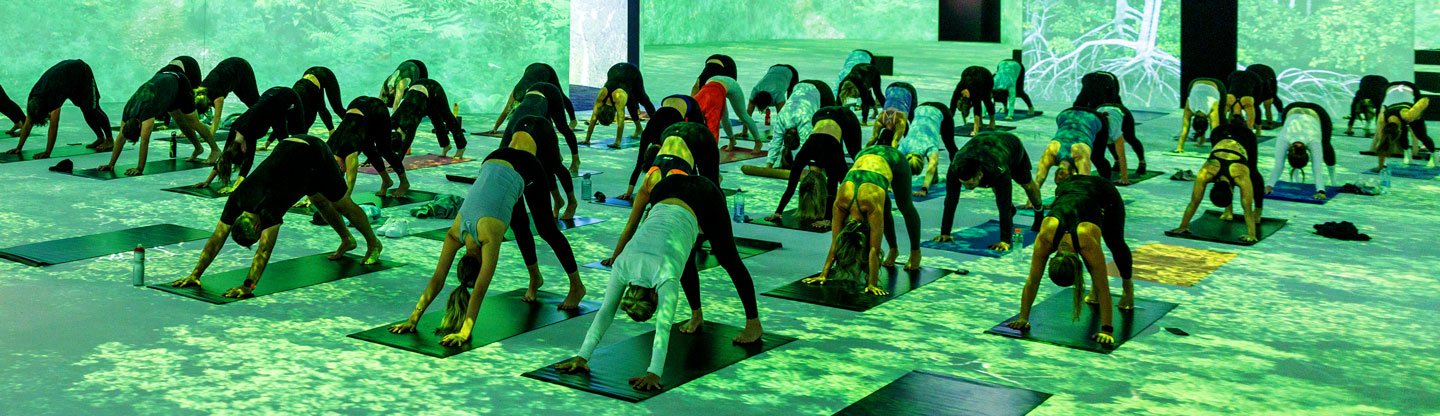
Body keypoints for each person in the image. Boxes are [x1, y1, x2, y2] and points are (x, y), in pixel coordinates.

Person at [555, 174, 764, 391]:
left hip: (703, 194)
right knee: (683, 254)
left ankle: (754, 325)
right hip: (665, 188)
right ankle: (696, 316)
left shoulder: (665, 277)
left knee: (728, 257)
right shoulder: (623, 265)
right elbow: (605, 313)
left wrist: (654, 373)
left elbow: (663, 328)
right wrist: (581, 356)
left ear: (654, 295)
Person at [386, 147, 587, 346]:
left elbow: (480, 288)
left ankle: (577, 286)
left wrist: (464, 332)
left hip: (526, 166)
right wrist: (413, 319)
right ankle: (535, 278)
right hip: (492, 159)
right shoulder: (455, 234)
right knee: (519, 225)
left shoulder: (489, 237)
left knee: (546, 229)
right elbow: (437, 279)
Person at [167, 134, 383, 298]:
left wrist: (248, 286)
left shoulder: (268, 209)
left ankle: (373, 244)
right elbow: (216, 239)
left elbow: (264, 250)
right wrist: (195, 274)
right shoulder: (237, 200)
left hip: (315, 153)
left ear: (257, 228)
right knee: (319, 200)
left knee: (342, 203)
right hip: (292, 153)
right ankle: (347, 239)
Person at [1007, 174, 1133, 345]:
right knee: (1098, 266)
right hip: (1068, 186)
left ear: (1050, 260)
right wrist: (1023, 317)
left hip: (1103, 191)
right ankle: (1096, 291)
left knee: (1115, 243)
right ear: (1051, 260)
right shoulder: (1045, 237)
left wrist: (1107, 330)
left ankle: (1128, 288)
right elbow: (1032, 281)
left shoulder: (1086, 240)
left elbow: (1104, 287)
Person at [805, 145, 923, 295]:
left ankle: (915, 252)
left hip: (894, 158)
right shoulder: (840, 203)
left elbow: (874, 249)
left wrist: (872, 283)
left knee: (905, 206)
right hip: (864, 154)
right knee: (884, 207)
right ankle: (894, 250)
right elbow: (836, 243)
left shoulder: (870, 206)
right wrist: (823, 275)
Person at [607, 123, 722, 264]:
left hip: (697, 135)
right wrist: (616, 257)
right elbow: (632, 226)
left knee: (712, 187)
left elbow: (631, 225)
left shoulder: (673, 186)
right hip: (668, 132)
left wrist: (616, 256)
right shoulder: (646, 187)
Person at [934, 132, 1044, 251]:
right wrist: (945, 232)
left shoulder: (997, 169)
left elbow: (1004, 203)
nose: (967, 188)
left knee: (1026, 184)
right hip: (982, 142)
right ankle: (1011, 213)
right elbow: (950, 200)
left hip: (1011, 145)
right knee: (995, 188)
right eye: (963, 183)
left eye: (971, 184)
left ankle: (1039, 213)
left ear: (980, 175)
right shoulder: (955, 168)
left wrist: (1005, 240)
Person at [98, 71, 217, 175]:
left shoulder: (147, 112)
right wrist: (111, 164)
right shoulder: (128, 111)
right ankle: (198, 148)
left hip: (180, 83)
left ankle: (215, 149)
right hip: (165, 88)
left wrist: (139, 168)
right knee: (180, 122)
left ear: (139, 125)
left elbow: (144, 141)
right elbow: (120, 138)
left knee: (193, 122)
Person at [766, 106, 865, 228]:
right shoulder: (805, 155)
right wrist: (778, 212)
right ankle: (855, 199)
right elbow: (830, 188)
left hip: (845, 117)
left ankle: (862, 195)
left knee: (856, 155)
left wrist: (828, 219)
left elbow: (830, 189)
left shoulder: (808, 157)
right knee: (842, 174)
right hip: (820, 114)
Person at [190, 87, 303, 193]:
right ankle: (293, 175)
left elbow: (248, 162)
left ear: (243, 149)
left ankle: (306, 176)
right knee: (285, 144)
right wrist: (207, 181)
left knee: (299, 140)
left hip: (289, 97)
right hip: (272, 99)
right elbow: (224, 156)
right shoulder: (235, 129)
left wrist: (236, 186)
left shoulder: (249, 131)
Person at [1171, 124, 1265, 243]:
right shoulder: (1207, 172)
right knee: (1246, 192)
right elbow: (1246, 208)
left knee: (1253, 172)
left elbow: (1194, 201)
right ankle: (1228, 211)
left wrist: (1252, 234)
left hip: (1244, 136)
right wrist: (1183, 226)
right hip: (1220, 133)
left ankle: (1258, 210)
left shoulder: (1236, 175)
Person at [3, 60, 112, 159]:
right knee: (85, 109)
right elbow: (27, 124)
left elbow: (53, 126)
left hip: (81, 73)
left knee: (92, 108)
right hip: (67, 80)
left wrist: (47, 152)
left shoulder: (53, 98)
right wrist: (19, 148)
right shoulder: (33, 98)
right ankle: (100, 138)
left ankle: (109, 139)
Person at [617, 96, 706, 200]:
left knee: (699, 150)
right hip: (667, 101)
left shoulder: (673, 136)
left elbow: (690, 162)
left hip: (690, 104)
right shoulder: (647, 135)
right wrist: (629, 192)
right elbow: (640, 163)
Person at [324, 97, 408, 198]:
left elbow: (350, 181)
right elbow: (318, 174)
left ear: (341, 167)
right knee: (368, 149)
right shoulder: (326, 150)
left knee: (384, 150)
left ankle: (404, 183)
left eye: (344, 170)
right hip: (357, 106)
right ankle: (386, 181)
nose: (346, 170)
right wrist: (309, 198)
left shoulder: (350, 153)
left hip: (376, 109)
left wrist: (344, 200)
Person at [502, 115, 579, 220]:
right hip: (523, 126)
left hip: (542, 127)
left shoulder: (527, 162)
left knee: (554, 165)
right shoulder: (505, 160)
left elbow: (538, 186)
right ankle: (558, 200)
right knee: (545, 167)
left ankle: (572, 202)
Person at [491, 82, 580, 171]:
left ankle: (575, 160)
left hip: (551, 93)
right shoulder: (510, 129)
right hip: (533, 98)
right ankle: (556, 156)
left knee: (562, 127)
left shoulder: (534, 127)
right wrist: (495, 128)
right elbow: (500, 153)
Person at [1265, 102, 1335, 199]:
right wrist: (1321, 191)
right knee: (1323, 149)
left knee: (1326, 146)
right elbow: (1317, 168)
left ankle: (1333, 178)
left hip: (1317, 112)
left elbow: (1279, 166)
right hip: (1292, 109)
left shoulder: (1312, 140)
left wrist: (1269, 186)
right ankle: (1295, 182)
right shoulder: (1285, 138)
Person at [1032, 107, 1112, 188]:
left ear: (1074, 173)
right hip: (1066, 114)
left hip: (1095, 118)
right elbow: (1036, 185)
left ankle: (1107, 188)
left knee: (1098, 158)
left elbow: (1084, 190)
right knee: (1097, 158)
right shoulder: (1050, 153)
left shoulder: (1081, 155)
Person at [392, 78, 467, 161]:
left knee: (447, 117)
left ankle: (461, 147)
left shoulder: (411, 121)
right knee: (435, 119)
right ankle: (446, 145)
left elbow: (408, 141)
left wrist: (398, 161)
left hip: (433, 88)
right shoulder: (393, 121)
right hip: (421, 94)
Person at [583, 62, 655, 146]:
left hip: (631, 72)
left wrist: (617, 142)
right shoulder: (601, 97)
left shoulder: (619, 98)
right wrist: (587, 140)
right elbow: (593, 119)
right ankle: (639, 129)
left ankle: (658, 127)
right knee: (630, 101)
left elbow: (621, 123)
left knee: (643, 99)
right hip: (614, 70)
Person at [491, 63, 574, 131]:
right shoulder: (515, 95)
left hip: (547, 71)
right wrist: (495, 128)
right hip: (531, 68)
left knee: (560, 95)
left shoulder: (531, 97)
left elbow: (545, 111)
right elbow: (505, 113)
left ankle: (573, 120)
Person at [897, 102, 956, 196]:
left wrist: (924, 189)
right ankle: (935, 178)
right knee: (936, 153)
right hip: (920, 108)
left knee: (950, 145)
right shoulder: (904, 145)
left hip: (941, 110)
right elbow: (893, 165)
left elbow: (931, 167)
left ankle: (956, 175)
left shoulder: (929, 145)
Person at [193, 57, 260, 139]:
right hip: (231, 71)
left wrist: (209, 137)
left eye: (210, 106)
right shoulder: (199, 92)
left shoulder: (217, 96)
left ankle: (268, 119)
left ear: (209, 102)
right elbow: (191, 114)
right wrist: (185, 132)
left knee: (253, 102)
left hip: (242, 68)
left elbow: (216, 118)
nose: (211, 107)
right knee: (247, 101)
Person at [1371, 83, 1432, 170]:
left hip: (1409, 87)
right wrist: (1380, 167)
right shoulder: (1383, 119)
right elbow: (1383, 144)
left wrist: (1416, 152)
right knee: (1385, 136)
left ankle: (1413, 151)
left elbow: (1425, 100)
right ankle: (1409, 152)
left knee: (1416, 130)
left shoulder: (1407, 115)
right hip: (1390, 90)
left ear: (1400, 130)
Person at [763, 81, 824, 169]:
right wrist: (767, 168)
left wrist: (768, 166)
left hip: (819, 89)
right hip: (798, 87)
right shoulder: (782, 119)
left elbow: (807, 147)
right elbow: (775, 143)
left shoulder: (803, 122)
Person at [707, 75, 765, 152]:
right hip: (717, 88)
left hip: (732, 86)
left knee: (743, 115)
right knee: (723, 118)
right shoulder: (707, 93)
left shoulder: (712, 93)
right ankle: (732, 140)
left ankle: (758, 142)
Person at [1095, 103, 1146, 184]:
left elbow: (1122, 154)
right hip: (1101, 109)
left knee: (1130, 138)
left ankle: (1142, 161)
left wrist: (1124, 178)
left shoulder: (1114, 129)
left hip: (1121, 112)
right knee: (1108, 141)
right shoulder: (1093, 128)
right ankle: (1116, 161)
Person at [1175, 78, 1227, 153]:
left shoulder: (1210, 108)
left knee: (1222, 118)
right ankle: (1202, 139)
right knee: (1217, 121)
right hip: (1196, 83)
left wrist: (1180, 147)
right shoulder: (1190, 107)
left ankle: (1222, 142)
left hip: (1215, 84)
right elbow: (1213, 130)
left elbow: (1185, 130)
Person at [290, 66, 346, 134]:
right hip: (310, 80)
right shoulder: (293, 100)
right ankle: (332, 131)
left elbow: (312, 116)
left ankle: (353, 126)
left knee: (337, 109)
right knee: (320, 108)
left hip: (326, 75)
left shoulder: (307, 96)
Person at [835, 50, 884, 122]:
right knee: (867, 94)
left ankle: (887, 113)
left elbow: (865, 103)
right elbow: (838, 102)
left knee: (878, 93)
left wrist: (864, 120)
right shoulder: (842, 84)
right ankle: (875, 111)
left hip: (872, 71)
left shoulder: (862, 86)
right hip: (859, 69)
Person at [746, 64, 799, 130]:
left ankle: (794, 127)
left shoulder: (778, 94)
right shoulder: (755, 91)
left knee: (791, 104)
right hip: (773, 68)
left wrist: (777, 135)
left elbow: (782, 116)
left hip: (791, 72)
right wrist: (744, 132)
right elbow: (748, 114)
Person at [952, 66, 995, 136]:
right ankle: (980, 123)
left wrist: (975, 131)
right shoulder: (958, 90)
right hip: (970, 73)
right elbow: (952, 109)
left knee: (986, 99)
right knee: (978, 102)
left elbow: (977, 109)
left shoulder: (974, 91)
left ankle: (992, 122)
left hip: (986, 77)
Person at [870, 82, 915, 146]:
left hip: (907, 90)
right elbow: (874, 138)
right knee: (910, 120)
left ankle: (910, 140)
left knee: (911, 119)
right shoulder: (880, 121)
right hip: (891, 88)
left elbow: (874, 138)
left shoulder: (900, 123)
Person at [1226, 69, 1263, 135]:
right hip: (1246, 77)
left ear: (1243, 118)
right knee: (1256, 106)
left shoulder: (1228, 102)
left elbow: (1223, 119)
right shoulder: (1229, 101)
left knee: (1255, 106)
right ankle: (1258, 130)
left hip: (1246, 77)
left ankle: (1257, 131)